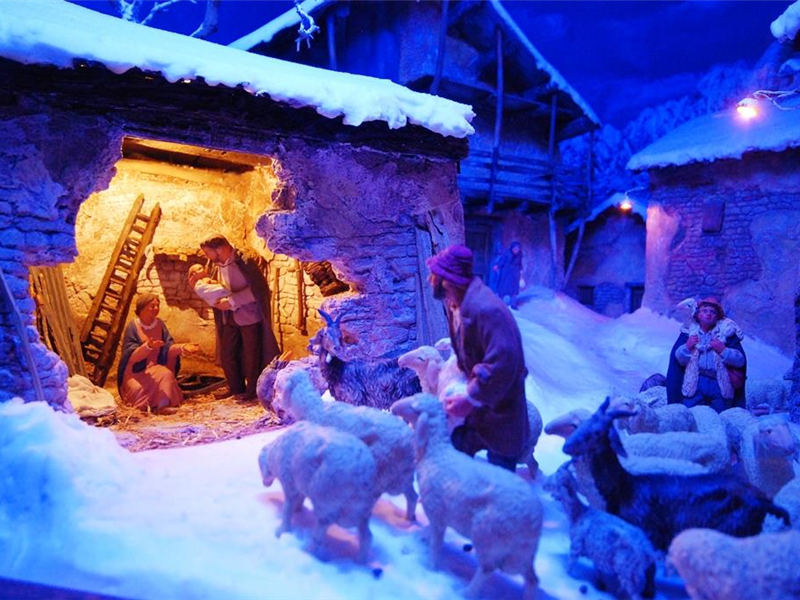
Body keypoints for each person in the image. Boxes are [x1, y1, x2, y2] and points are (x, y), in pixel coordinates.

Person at [426, 244, 530, 472]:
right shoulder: (457, 304)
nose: (429, 280)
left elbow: (504, 361)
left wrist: (471, 397)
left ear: (448, 281)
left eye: (434, 275)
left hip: (501, 409)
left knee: (501, 478)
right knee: (457, 456)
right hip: (479, 414)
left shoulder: (487, 310)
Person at [199, 234, 280, 401]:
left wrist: (231, 301)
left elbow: (258, 290)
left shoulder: (244, 261)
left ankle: (252, 391)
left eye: (208, 253)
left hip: (249, 316)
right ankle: (235, 388)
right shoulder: (216, 265)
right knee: (228, 353)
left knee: (251, 355)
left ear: (219, 249)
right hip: (228, 316)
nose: (207, 257)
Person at [118, 293, 200, 413]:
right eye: (152, 306)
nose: (156, 308)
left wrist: (182, 348)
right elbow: (131, 356)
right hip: (136, 371)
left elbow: (167, 348)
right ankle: (147, 406)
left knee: (166, 374)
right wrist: (148, 347)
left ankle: (163, 406)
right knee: (137, 390)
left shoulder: (159, 324)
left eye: (158, 305)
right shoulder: (133, 327)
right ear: (142, 308)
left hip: (155, 368)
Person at [666, 297, 747, 412]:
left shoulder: (725, 334)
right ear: (698, 314)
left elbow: (740, 361)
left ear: (717, 317)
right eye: (705, 311)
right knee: (690, 411)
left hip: (718, 382)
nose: (708, 314)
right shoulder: (690, 333)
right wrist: (687, 347)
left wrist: (723, 350)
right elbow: (678, 360)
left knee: (722, 412)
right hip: (696, 381)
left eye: (712, 312)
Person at [491, 241, 524, 308]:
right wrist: (497, 265)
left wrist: (521, 270)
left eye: (518, 249)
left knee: (514, 290)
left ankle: (513, 304)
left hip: (515, 274)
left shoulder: (520, 255)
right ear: (512, 248)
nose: (516, 250)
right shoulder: (506, 253)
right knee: (502, 288)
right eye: (515, 249)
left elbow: (519, 263)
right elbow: (501, 261)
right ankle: (500, 303)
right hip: (506, 273)